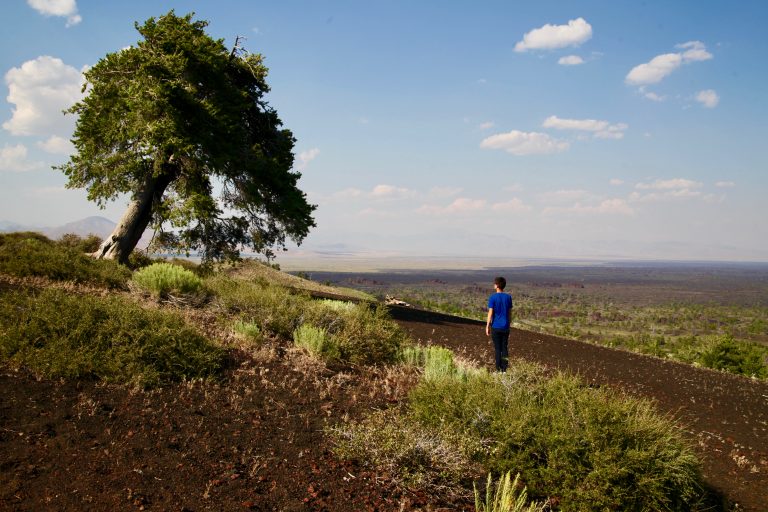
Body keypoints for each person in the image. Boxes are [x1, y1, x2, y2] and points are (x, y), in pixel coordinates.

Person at [486, 276, 513, 372]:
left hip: (496, 327)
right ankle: (504, 370)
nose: (493, 285)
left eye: (494, 283)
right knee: (504, 347)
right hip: (505, 326)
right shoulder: (508, 297)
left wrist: (487, 326)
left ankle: (498, 369)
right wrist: (508, 324)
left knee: (498, 349)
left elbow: (490, 313)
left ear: (497, 285)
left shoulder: (492, 297)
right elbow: (509, 313)